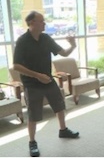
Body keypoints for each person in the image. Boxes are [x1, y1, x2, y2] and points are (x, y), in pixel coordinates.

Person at [13, 11, 79, 157]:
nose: (44, 23)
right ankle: (32, 142)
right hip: (32, 83)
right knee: (34, 114)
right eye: (41, 21)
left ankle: (63, 130)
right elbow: (16, 66)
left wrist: (73, 45)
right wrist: (37, 76)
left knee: (59, 105)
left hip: (48, 80)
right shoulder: (22, 41)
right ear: (32, 23)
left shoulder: (45, 38)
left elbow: (64, 53)